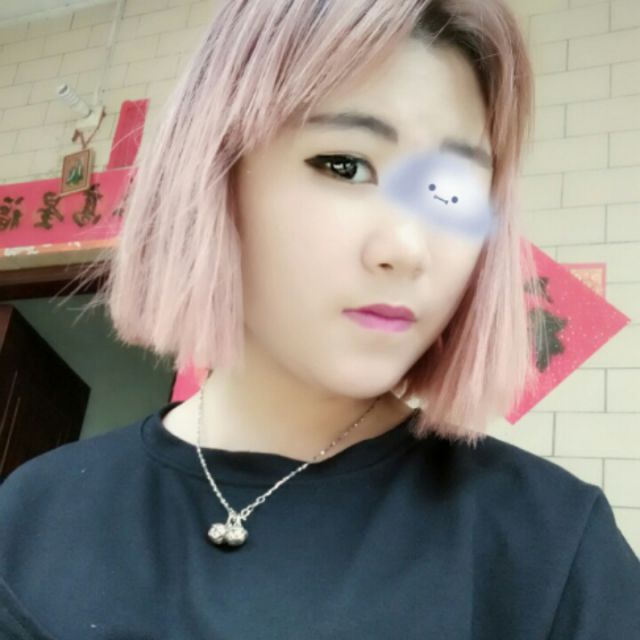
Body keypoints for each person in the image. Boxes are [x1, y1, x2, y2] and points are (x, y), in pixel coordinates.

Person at [2, 0, 639, 637]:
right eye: (345, 165)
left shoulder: (552, 551)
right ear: (215, 176)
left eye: (451, 191)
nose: (406, 249)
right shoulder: (32, 520)